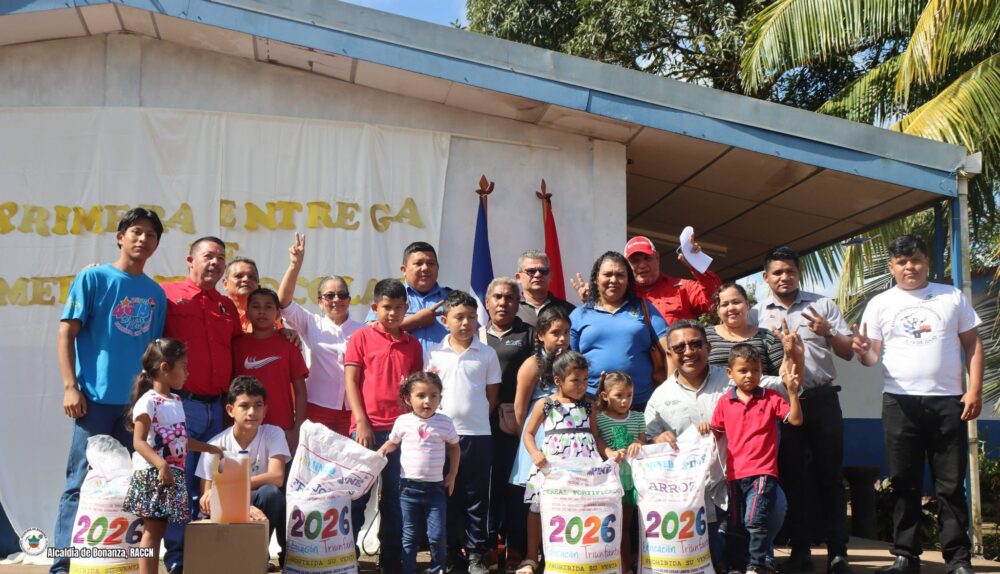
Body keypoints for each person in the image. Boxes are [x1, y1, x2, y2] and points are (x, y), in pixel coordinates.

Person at [852, 234, 983, 574]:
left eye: (915, 260)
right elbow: (872, 358)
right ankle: (905, 557)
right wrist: (862, 350)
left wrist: (974, 390)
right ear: (891, 267)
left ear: (927, 262)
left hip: (949, 401)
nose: (909, 267)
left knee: (950, 485)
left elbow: (972, 344)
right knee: (903, 481)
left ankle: (958, 559)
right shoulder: (880, 303)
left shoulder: (951, 296)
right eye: (901, 262)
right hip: (899, 402)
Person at [51, 207, 167, 574]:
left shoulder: (156, 293)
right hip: (94, 402)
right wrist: (70, 387)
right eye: (136, 231)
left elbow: (153, 353)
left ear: (156, 245)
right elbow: (66, 332)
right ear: (120, 237)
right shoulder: (93, 278)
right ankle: (62, 564)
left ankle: (116, 561)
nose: (143, 239)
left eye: (151, 235)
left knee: (131, 485)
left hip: (135, 408)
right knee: (80, 483)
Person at [644, 320, 801, 570]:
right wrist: (656, 439)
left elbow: (787, 384)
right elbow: (648, 440)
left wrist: (794, 355)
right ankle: (734, 557)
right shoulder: (660, 397)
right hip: (693, 495)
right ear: (670, 353)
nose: (688, 351)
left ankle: (761, 557)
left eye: (695, 344)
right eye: (680, 347)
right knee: (716, 559)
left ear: (707, 347)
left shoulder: (737, 376)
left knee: (774, 504)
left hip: (739, 479)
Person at [750, 246, 854, 574]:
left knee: (830, 478)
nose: (785, 277)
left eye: (790, 271)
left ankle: (838, 553)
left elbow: (848, 352)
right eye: (777, 272)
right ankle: (800, 550)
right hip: (782, 405)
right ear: (766, 277)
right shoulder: (755, 314)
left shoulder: (822, 306)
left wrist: (829, 332)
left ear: (799, 273)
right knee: (792, 478)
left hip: (822, 400)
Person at [161, 236, 243, 572]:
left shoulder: (226, 306)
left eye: (221, 258)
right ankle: (178, 558)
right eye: (208, 256)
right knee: (180, 483)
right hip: (183, 405)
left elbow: (240, 347)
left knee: (212, 483)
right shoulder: (167, 296)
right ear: (190, 260)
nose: (215, 262)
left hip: (219, 407)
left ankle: (206, 555)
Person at [123, 338, 223, 574]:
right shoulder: (148, 401)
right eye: (184, 366)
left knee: (159, 530)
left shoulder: (176, 400)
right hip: (154, 475)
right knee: (152, 532)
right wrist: (161, 465)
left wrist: (210, 448)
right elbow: (139, 441)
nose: (188, 372)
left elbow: (181, 440)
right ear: (165, 368)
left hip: (171, 475)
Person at [345, 278, 424, 573]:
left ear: (406, 308)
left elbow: (415, 390)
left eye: (399, 308)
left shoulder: (413, 344)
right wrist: (362, 422)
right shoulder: (361, 338)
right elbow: (351, 381)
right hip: (365, 430)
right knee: (357, 496)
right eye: (387, 307)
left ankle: (390, 560)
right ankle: (346, 557)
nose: (392, 313)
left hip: (400, 433)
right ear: (375, 308)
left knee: (394, 498)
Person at [426, 290, 502, 574]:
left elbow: (492, 396)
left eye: (471, 317)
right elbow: (428, 393)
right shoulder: (433, 353)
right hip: (441, 437)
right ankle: (448, 553)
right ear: (445, 320)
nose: (466, 323)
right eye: (459, 317)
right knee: (446, 495)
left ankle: (475, 554)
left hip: (478, 435)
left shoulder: (487, 353)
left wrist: (477, 417)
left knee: (476, 496)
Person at [712, 343, 802, 574]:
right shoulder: (725, 402)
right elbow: (715, 432)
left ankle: (756, 564)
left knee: (755, 519)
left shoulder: (770, 397)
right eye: (743, 370)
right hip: (734, 474)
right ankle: (736, 564)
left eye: (755, 370)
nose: (749, 375)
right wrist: (704, 429)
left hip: (763, 472)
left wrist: (792, 393)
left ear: (762, 371)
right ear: (730, 373)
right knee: (735, 523)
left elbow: (795, 420)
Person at [517, 351, 601, 574]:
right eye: (575, 380)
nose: (582, 385)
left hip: (583, 467)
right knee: (538, 507)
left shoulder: (589, 404)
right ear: (558, 380)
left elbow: (596, 436)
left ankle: (575, 555)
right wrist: (534, 452)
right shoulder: (545, 404)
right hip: (552, 467)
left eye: (585, 379)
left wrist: (609, 454)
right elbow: (528, 433)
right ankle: (531, 557)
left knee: (579, 507)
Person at [197, 376, 291, 571]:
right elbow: (206, 498)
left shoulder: (274, 433)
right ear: (230, 410)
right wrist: (240, 506)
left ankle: (259, 554)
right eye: (244, 406)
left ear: (265, 410)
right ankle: (233, 557)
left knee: (272, 494)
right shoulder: (214, 445)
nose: (252, 412)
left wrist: (232, 490)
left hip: (258, 503)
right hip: (227, 507)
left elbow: (277, 477)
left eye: (258, 405)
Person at [277, 233, 362, 436]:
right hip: (316, 407)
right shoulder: (311, 323)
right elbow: (283, 302)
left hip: (352, 411)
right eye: (329, 296)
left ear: (349, 300)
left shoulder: (363, 330)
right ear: (320, 302)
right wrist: (295, 265)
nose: (336, 300)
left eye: (342, 295)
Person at [378, 372, 461, 574]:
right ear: (408, 399)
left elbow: (455, 447)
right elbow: (393, 442)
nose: (427, 401)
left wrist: (452, 474)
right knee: (410, 535)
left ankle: (437, 569)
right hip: (408, 489)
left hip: (435, 490)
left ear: (440, 398)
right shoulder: (402, 421)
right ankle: (409, 569)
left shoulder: (445, 422)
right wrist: (381, 451)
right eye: (421, 395)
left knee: (437, 534)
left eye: (433, 396)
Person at [480, 277, 535, 572]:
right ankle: (489, 547)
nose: (503, 303)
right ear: (487, 302)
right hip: (483, 425)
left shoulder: (529, 335)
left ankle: (516, 548)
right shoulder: (475, 335)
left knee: (517, 489)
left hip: (518, 424)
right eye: (497, 297)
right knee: (489, 488)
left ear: (518, 303)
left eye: (510, 297)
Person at [570, 251, 668, 410]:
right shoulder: (579, 315)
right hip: (592, 404)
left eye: (620, 275)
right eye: (607, 274)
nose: (614, 280)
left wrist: (671, 389)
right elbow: (570, 361)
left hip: (640, 404)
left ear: (628, 280)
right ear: (596, 279)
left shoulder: (644, 308)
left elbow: (669, 350)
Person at [232, 287, 309, 453]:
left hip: (282, 430)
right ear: (247, 312)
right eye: (256, 306)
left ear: (278, 314)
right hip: (244, 429)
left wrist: (297, 429)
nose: (262, 311)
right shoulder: (236, 345)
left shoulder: (289, 345)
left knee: (278, 470)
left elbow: (301, 391)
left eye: (268, 307)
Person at [593, 372, 646, 573]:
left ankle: (626, 566)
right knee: (610, 526)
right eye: (619, 396)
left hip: (631, 480)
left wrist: (638, 443)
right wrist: (609, 452)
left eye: (629, 395)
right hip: (609, 481)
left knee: (625, 526)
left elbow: (643, 440)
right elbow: (597, 440)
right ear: (605, 396)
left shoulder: (638, 417)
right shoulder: (599, 418)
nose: (625, 401)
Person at [366, 241, 449, 353]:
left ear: (438, 268)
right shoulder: (389, 296)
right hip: (401, 363)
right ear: (403, 270)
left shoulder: (452, 299)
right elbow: (370, 332)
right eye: (418, 263)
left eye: (431, 263)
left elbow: (469, 330)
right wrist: (416, 320)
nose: (425, 268)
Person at [707, 282, 784, 375]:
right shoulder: (704, 337)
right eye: (725, 304)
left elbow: (782, 379)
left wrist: (791, 354)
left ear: (747, 304)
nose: (731, 308)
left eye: (736, 302)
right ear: (718, 310)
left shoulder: (768, 337)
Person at [514, 250, 575, 327]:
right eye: (531, 271)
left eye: (543, 271)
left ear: (551, 276)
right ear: (518, 278)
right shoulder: (510, 309)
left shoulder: (568, 310)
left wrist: (587, 302)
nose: (538, 275)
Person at [222, 256, 261, 333]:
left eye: (251, 277)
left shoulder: (266, 315)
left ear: (258, 285)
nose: (246, 279)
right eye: (238, 276)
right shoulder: (214, 310)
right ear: (225, 284)